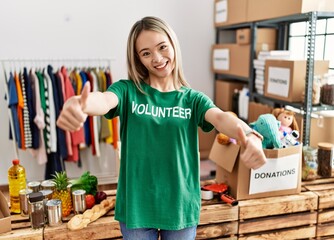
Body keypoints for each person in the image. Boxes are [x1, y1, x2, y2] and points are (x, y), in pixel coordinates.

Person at [57, 16, 266, 240]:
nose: (157, 58)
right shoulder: (128, 91)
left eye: (162, 47)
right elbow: (104, 100)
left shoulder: (192, 99)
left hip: (179, 205)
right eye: (146, 53)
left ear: (173, 44)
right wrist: (79, 103)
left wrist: (250, 135)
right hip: (137, 205)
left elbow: (222, 118)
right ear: (138, 59)